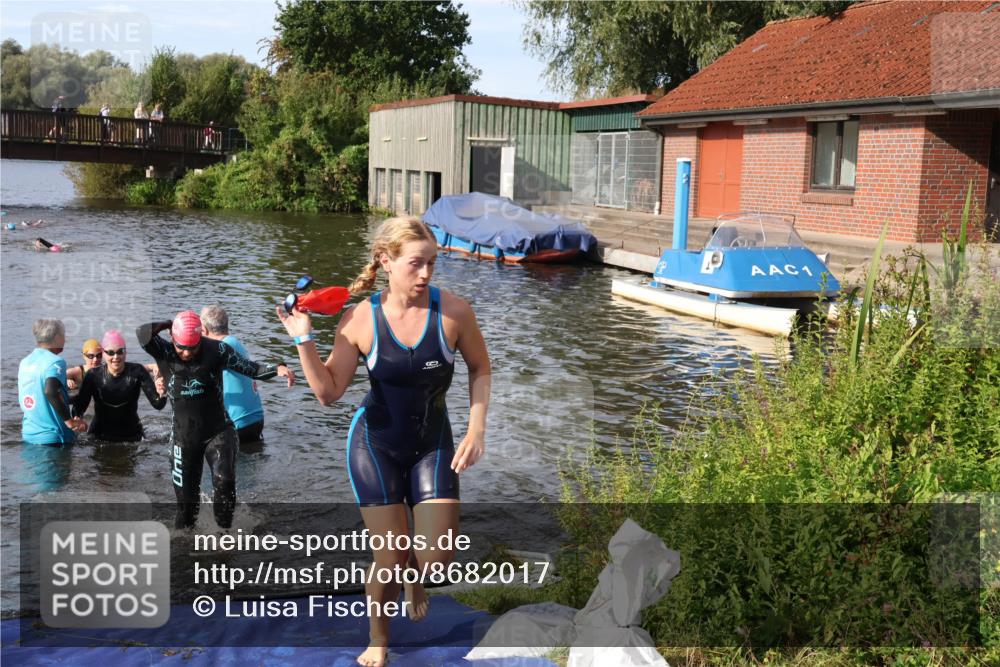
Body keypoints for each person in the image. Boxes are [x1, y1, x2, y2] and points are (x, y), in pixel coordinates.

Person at [276, 217, 491, 667]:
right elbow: (328, 392)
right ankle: (378, 639)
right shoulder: (359, 319)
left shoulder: (453, 313)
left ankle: (417, 575)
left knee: (437, 562)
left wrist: (476, 428)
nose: (427, 274)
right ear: (386, 262)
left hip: (433, 442)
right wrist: (303, 340)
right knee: (388, 556)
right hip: (375, 446)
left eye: (432, 263)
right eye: (417, 264)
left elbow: (480, 368)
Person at [137, 311, 295, 529]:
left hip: (218, 430)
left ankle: (224, 534)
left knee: (224, 480)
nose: (186, 353)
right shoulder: (163, 350)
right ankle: (185, 550)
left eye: (192, 347)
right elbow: (142, 332)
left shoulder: (217, 350)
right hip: (183, 438)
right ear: (173, 339)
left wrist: (276, 369)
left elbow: (250, 368)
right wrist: (168, 323)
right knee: (186, 509)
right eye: (181, 347)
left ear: (201, 338)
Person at [200, 305, 288, 446]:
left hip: (237, 424)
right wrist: (277, 368)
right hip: (256, 420)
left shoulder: (219, 349)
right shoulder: (234, 342)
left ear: (203, 329)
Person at [73, 330, 167, 442]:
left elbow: (158, 405)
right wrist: (76, 419)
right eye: (111, 353)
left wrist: (162, 391)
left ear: (126, 352)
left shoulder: (137, 372)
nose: (116, 356)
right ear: (103, 354)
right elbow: (80, 408)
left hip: (132, 435)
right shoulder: (93, 375)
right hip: (99, 435)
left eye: (120, 351)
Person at [18, 319, 88, 445]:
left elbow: (39, 395)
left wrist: (72, 399)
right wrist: (70, 422)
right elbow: (50, 392)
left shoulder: (25, 362)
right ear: (56, 337)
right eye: (63, 335)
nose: (65, 340)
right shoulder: (55, 362)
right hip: (54, 437)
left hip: (29, 435)